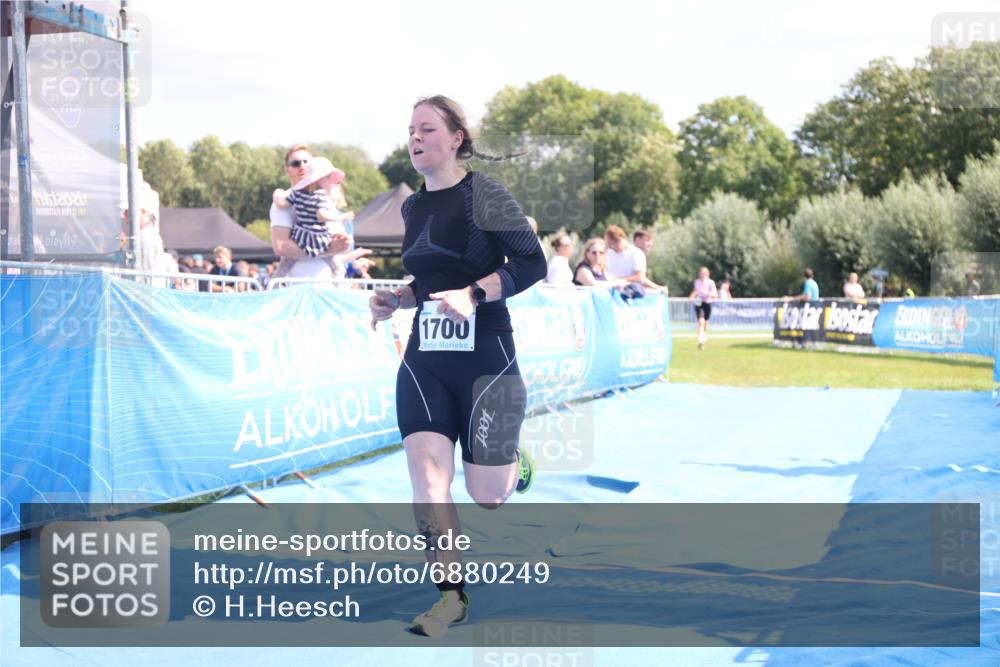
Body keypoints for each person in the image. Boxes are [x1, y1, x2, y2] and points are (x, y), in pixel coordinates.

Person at [368, 95, 546, 638]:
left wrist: (474, 293)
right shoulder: (412, 206)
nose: (415, 137)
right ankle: (451, 596)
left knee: (487, 494)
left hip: (486, 352)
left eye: (427, 128)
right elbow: (427, 278)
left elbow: (532, 263)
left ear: (456, 139)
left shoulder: (485, 194)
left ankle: (514, 461)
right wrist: (397, 297)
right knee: (427, 476)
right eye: (410, 130)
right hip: (426, 356)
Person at [269, 145, 357, 285]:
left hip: (330, 289)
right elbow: (280, 246)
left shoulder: (326, 200)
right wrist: (328, 249)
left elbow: (341, 248)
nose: (302, 166)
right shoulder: (286, 198)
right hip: (302, 289)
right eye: (296, 163)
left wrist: (343, 243)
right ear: (287, 169)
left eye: (306, 162)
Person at [689, 266, 718, 350]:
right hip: (699, 302)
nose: (702, 275)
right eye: (701, 273)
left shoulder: (711, 283)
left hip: (707, 302)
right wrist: (691, 296)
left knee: (705, 322)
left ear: (708, 274)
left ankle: (704, 335)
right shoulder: (697, 282)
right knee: (700, 321)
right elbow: (696, 290)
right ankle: (700, 341)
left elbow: (715, 295)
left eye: (704, 273)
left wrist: (707, 293)